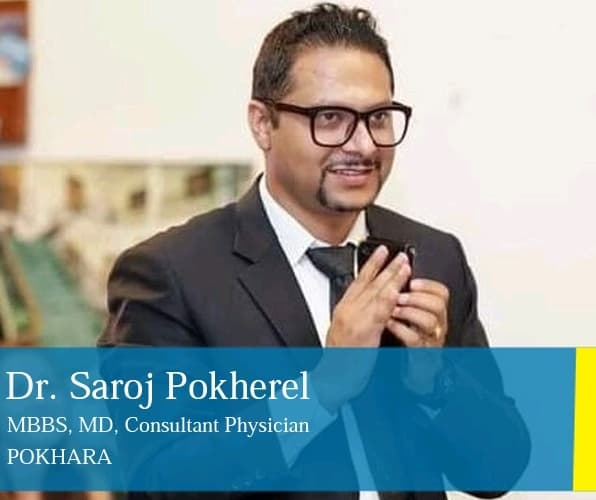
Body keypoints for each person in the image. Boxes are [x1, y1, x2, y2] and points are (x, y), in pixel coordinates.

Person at [100, 3, 529, 499]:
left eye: (378, 118)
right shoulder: (169, 275)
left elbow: (499, 470)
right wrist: (320, 391)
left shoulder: (433, 255)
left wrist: (434, 381)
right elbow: (160, 481)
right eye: (330, 117)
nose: (363, 145)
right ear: (263, 123)